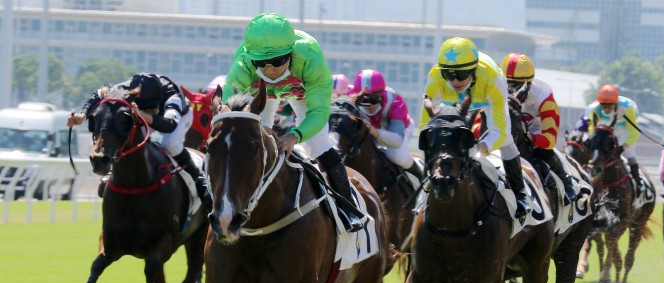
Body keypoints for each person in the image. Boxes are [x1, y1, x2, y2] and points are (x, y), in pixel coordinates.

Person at [222, 12, 363, 232]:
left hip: (302, 93)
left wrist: (294, 136)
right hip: (263, 93)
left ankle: (348, 207)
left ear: (291, 53)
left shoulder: (310, 57)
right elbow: (228, 102)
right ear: (250, 58)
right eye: (261, 63)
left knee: (317, 144)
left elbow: (318, 112)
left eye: (278, 61)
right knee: (248, 141)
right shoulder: (243, 63)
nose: (269, 69)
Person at [68, 72, 213, 211]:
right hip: (140, 113)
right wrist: (83, 115)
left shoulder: (171, 95)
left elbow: (169, 125)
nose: (149, 111)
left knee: (170, 144)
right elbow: (100, 94)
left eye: (151, 108)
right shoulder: (124, 89)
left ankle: (199, 179)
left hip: (179, 117)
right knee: (129, 138)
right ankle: (112, 173)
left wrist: (143, 114)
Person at [421, 37, 529, 218]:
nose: (455, 81)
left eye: (461, 74)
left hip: (486, 98)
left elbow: (500, 132)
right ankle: (424, 192)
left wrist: (479, 149)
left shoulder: (492, 79)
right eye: (449, 75)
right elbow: (425, 126)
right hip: (452, 102)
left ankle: (520, 194)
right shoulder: (435, 78)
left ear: (473, 70)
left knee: (507, 142)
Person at [500, 52, 576, 204]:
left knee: (542, 150)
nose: (512, 91)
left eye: (517, 85)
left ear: (529, 84)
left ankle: (567, 182)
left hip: (536, 127)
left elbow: (550, 140)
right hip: (510, 128)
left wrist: (530, 137)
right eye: (507, 84)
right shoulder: (495, 89)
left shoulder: (543, 95)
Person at [352, 69, 420, 176]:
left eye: (373, 99)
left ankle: (420, 174)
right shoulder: (350, 100)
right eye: (364, 100)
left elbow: (396, 141)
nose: (369, 105)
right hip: (373, 130)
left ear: (381, 95)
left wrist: (374, 131)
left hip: (398, 131)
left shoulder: (396, 103)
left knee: (395, 155)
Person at [578, 84, 643, 194]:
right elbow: (592, 127)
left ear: (615, 103)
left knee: (629, 152)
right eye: (604, 106)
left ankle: (638, 183)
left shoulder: (627, 108)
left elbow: (634, 131)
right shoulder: (595, 109)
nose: (606, 109)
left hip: (625, 127)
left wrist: (625, 145)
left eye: (609, 106)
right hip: (608, 125)